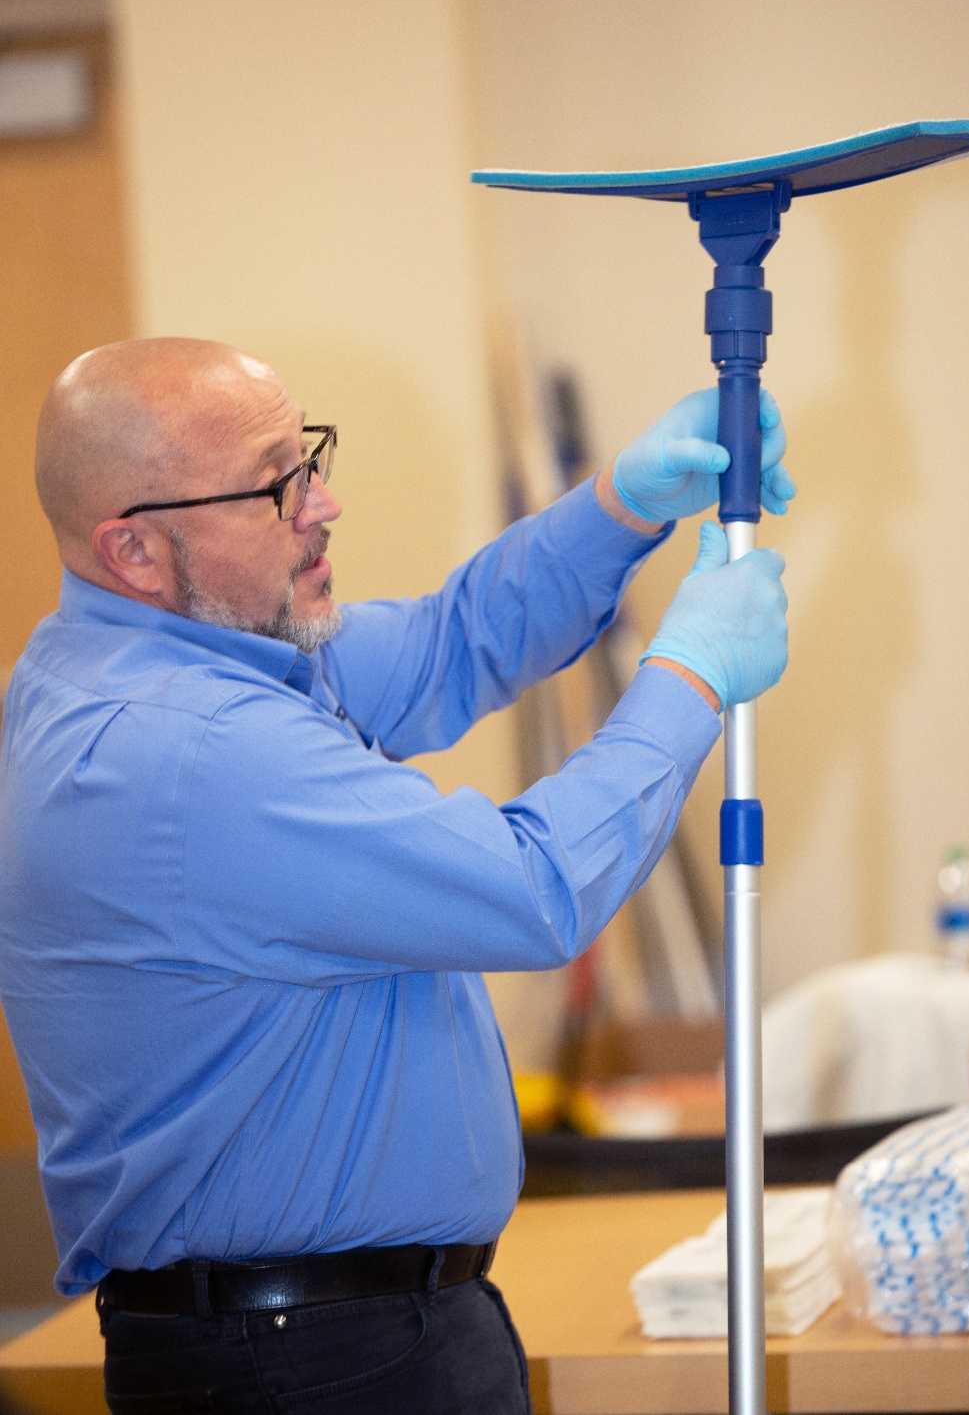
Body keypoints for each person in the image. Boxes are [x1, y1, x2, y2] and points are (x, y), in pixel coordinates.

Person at [0, 338, 792, 1414]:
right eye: (275, 487)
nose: (322, 505)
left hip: (327, 1335)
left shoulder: (154, 655)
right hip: (310, 1363)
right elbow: (532, 889)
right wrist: (689, 676)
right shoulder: (186, 749)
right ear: (133, 549)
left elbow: (446, 644)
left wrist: (619, 506)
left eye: (308, 459)